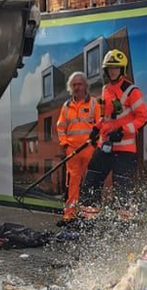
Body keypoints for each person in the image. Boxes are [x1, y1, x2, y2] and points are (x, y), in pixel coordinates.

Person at [78, 49, 147, 221]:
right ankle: (89, 220)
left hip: (125, 150)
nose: (112, 71)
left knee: (123, 189)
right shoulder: (106, 89)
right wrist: (96, 128)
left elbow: (143, 117)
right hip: (106, 146)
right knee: (92, 180)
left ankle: (123, 226)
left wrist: (123, 131)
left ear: (122, 70)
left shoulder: (132, 91)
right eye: (109, 68)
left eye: (116, 68)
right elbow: (106, 117)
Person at [55, 71, 99, 223]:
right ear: (70, 88)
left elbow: (100, 125)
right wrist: (65, 144)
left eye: (80, 84)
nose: (77, 87)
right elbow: (60, 127)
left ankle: (88, 215)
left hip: (89, 150)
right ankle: (70, 215)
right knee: (73, 183)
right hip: (72, 151)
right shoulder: (66, 106)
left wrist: (96, 143)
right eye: (74, 85)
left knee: (90, 182)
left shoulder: (94, 103)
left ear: (85, 86)